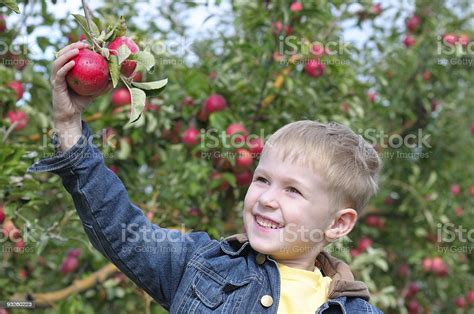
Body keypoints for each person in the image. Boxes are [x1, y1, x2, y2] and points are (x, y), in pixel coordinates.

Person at [28, 41, 384, 313]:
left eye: (293, 190)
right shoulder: (198, 264)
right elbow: (117, 225)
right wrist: (68, 125)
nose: (267, 198)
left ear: (338, 224)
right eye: (262, 180)